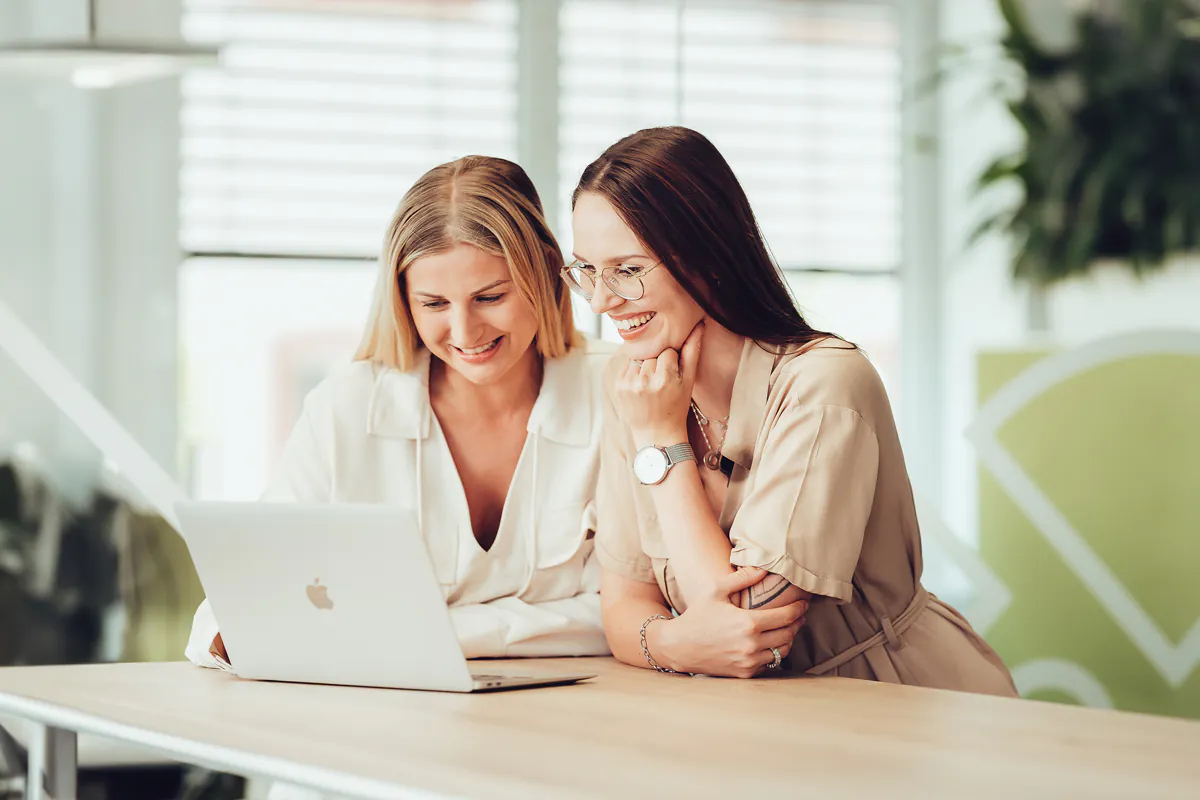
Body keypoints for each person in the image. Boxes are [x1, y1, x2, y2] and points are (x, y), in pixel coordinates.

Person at [567, 126, 1017, 695]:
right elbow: (624, 605)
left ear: (707, 256)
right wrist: (679, 644)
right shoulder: (630, 381)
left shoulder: (824, 384)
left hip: (891, 701)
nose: (603, 301)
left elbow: (751, 634)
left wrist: (661, 443)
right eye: (586, 270)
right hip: (741, 717)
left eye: (627, 271)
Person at [186, 155, 645, 668]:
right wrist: (245, 629)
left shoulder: (623, 389)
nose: (466, 332)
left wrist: (408, 632)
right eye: (434, 304)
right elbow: (231, 609)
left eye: (489, 296)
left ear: (542, 275)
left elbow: (630, 614)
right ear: (404, 301)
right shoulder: (349, 407)